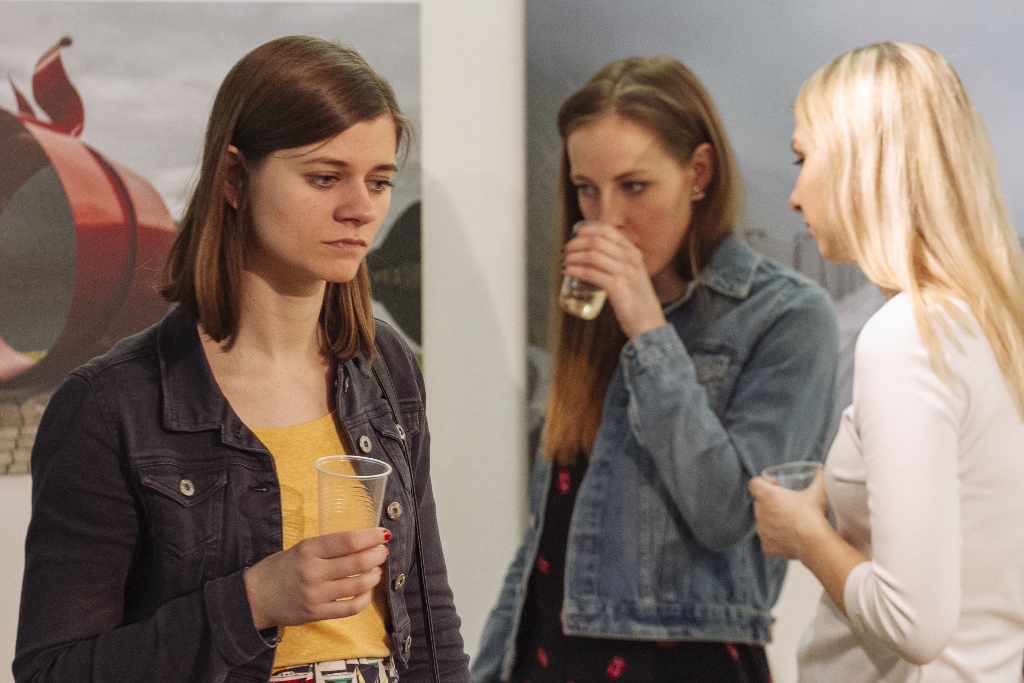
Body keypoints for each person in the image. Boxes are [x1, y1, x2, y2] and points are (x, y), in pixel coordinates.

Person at [14, 36, 470, 683]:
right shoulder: (111, 405)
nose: (361, 209)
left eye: (378, 181)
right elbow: (52, 672)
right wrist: (253, 600)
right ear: (234, 178)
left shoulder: (385, 366)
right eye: (325, 177)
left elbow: (429, 620)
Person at [472, 56, 839, 683]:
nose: (605, 218)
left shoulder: (788, 315)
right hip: (548, 659)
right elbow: (544, 543)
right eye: (586, 189)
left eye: (634, 187)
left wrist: (648, 330)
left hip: (684, 663)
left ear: (699, 173)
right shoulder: (593, 315)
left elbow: (728, 514)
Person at [749, 41, 1024, 682]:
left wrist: (804, 534)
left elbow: (913, 621)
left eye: (803, 159)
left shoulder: (906, 335)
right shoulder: (989, 323)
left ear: (862, 162)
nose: (793, 196)